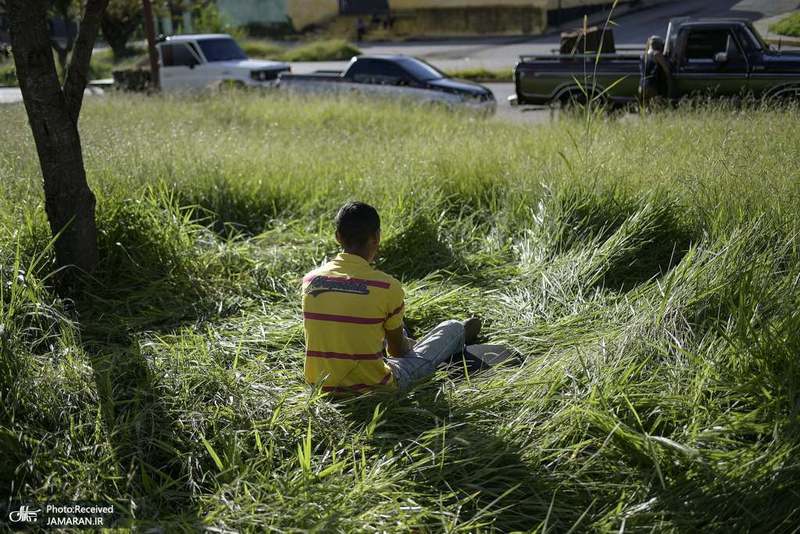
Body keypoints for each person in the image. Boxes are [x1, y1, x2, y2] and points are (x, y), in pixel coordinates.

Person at [302, 201, 481, 394]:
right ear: (376, 237)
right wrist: (409, 345)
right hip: (374, 388)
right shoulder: (386, 286)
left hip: (321, 387)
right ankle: (457, 337)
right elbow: (397, 352)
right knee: (452, 327)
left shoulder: (310, 280)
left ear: (338, 236)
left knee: (386, 324)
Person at [640, 35, 673, 106]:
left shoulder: (643, 55)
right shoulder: (657, 54)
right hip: (652, 85)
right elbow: (666, 69)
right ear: (658, 44)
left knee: (646, 107)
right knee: (656, 107)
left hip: (642, 84)